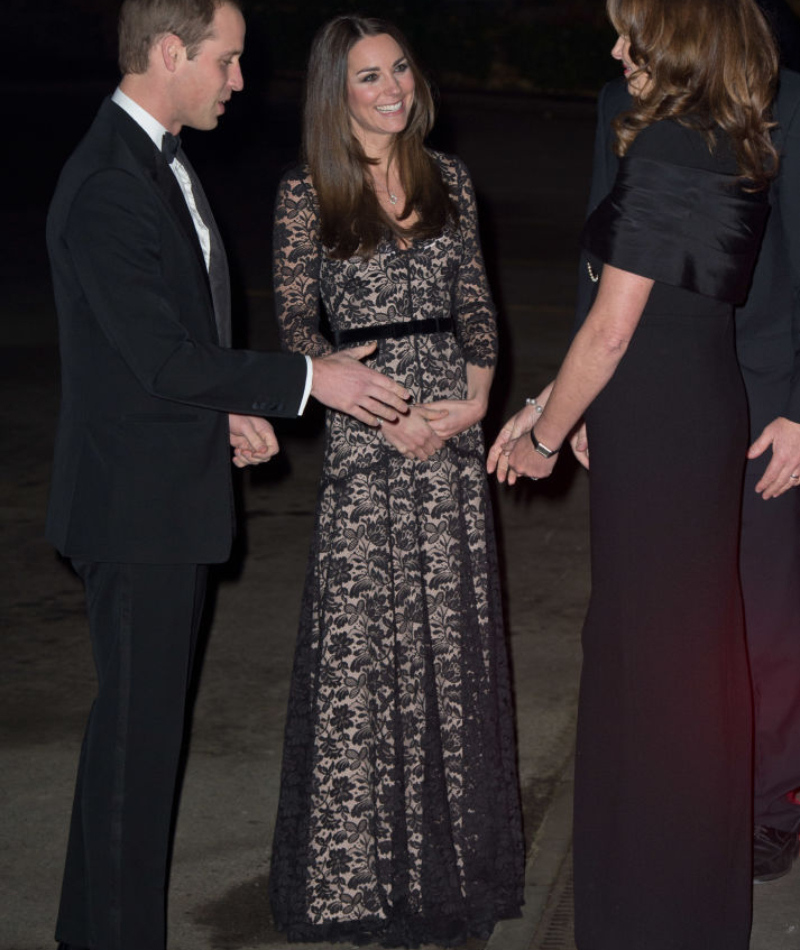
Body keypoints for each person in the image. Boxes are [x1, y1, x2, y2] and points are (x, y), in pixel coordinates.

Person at [46, 2, 411, 949]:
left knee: (130, 742)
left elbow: (171, 348)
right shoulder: (109, 184)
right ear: (171, 53)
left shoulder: (155, 161)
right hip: (134, 509)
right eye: (228, 60)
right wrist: (305, 379)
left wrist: (231, 411)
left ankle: (90, 932)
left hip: (164, 487)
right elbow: (161, 359)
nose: (239, 81)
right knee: (138, 752)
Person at [488, 0, 778, 947]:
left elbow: (612, 330)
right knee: (691, 658)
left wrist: (540, 435)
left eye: (630, 36)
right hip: (698, 399)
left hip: (655, 416)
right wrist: (552, 405)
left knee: (650, 664)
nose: (615, 51)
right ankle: (692, 904)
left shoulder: (659, 150)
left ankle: (650, 911)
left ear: (676, 47)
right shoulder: (729, 138)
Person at [267, 14, 524, 947]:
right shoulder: (308, 196)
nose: (392, 88)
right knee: (366, 658)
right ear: (338, 93)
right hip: (367, 436)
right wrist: (384, 411)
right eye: (369, 76)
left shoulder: (450, 179)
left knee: (448, 657)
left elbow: (479, 307)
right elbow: (297, 326)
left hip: (449, 440)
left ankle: (452, 876)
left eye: (401, 69)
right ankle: (362, 884)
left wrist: (475, 401)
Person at [576, 30, 800, 886]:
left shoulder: (789, 101)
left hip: (760, 390)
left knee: (763, 606)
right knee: (667, 615)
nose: (616, 42)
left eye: (634, 23)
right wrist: (584, 395)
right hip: (651, 391)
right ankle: (684, 797)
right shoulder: (616, 102)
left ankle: (769, 802)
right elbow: (598, 268)